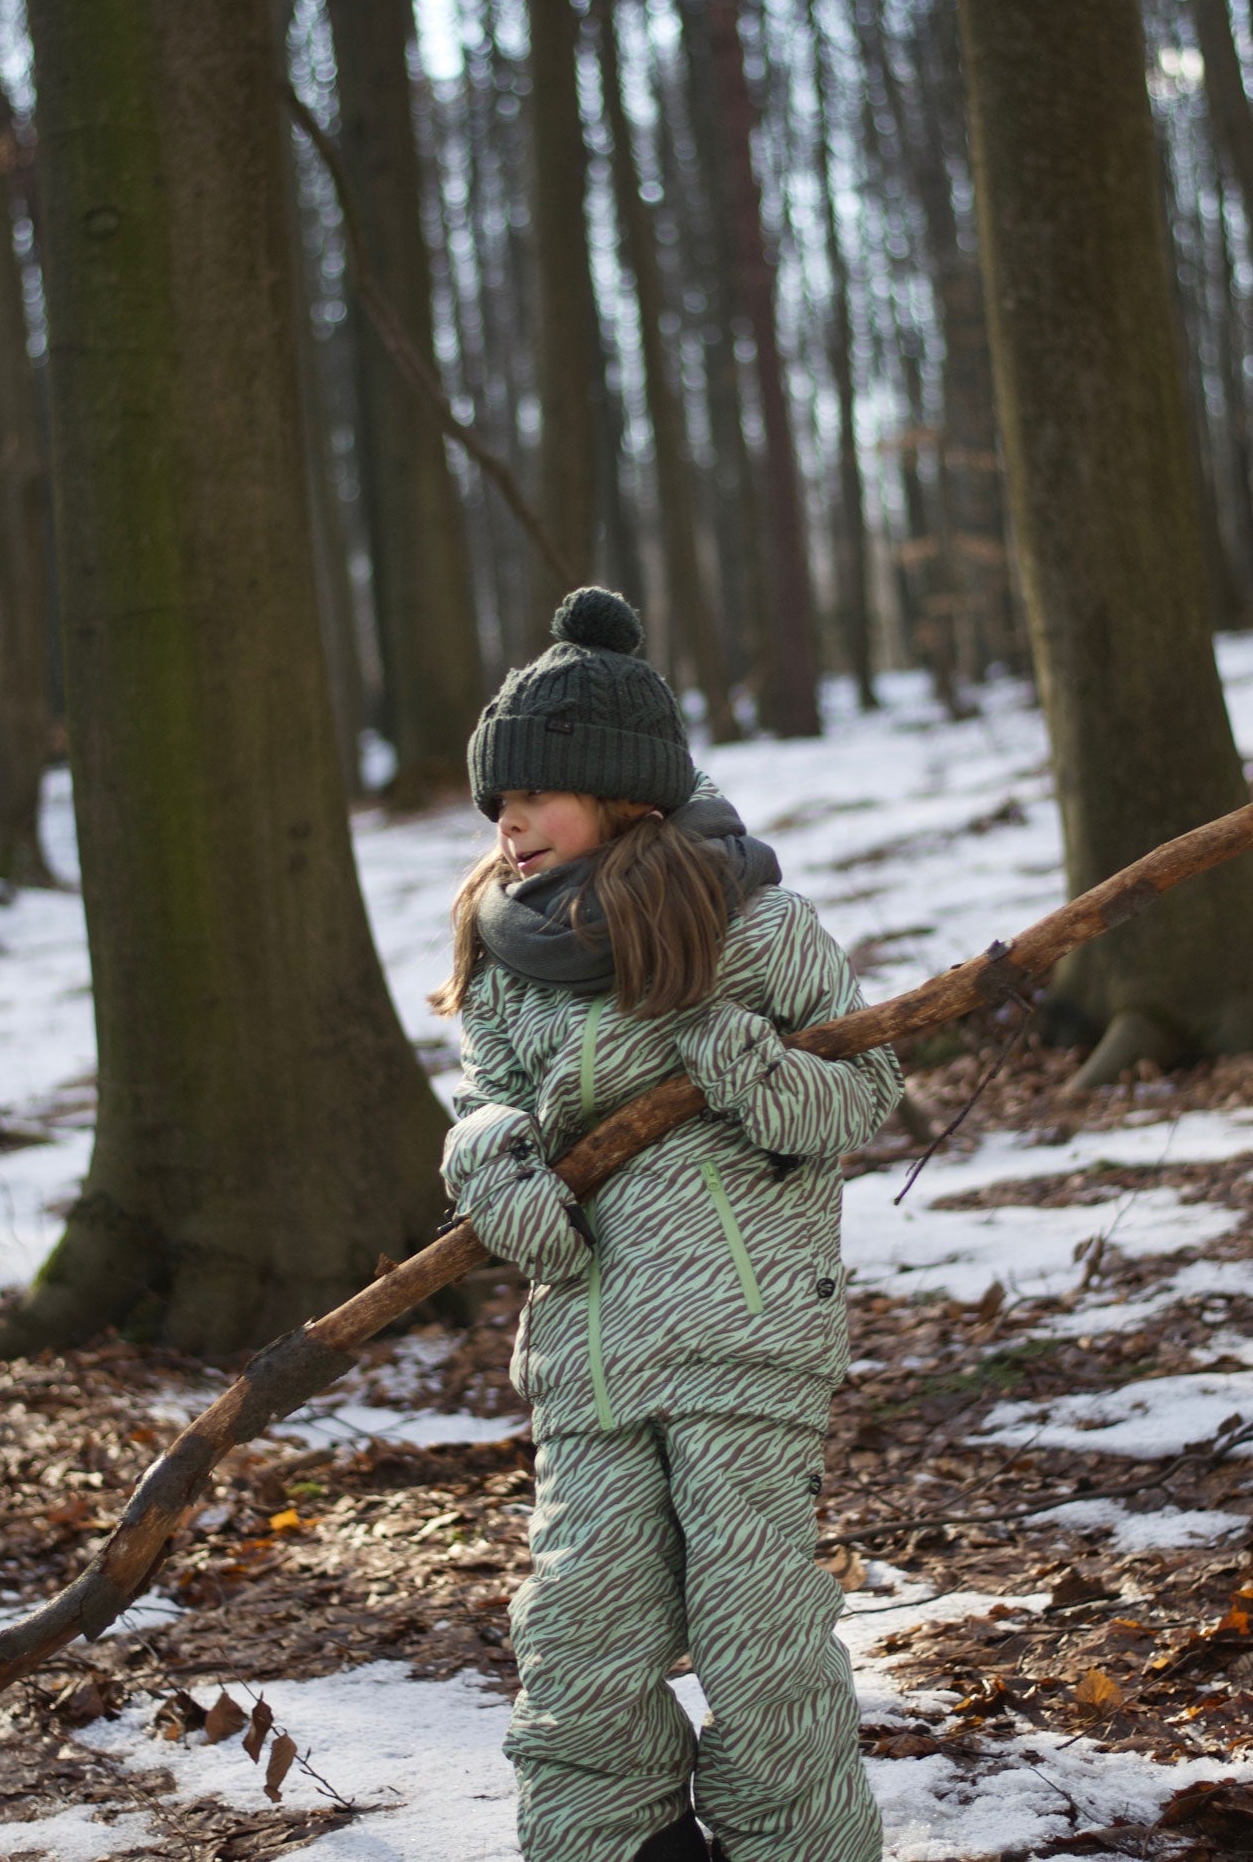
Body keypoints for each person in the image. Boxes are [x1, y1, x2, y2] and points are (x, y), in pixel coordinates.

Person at [429, 587, 902, 1862]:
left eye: (533, 794)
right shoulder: (505, 948)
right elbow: (485, 1105)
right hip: (586, 1353)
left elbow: (859, 1095)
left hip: (737, 1338)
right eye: (497, 804)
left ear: (623, 790)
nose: (508, 823)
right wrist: (492, 1164)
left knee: (755, 1633)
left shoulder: (749, 922)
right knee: (579, 1631)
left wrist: (737, 1062)